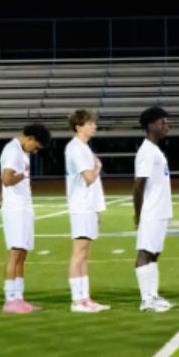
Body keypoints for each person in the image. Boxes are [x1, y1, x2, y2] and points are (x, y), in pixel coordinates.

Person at [0, 124, 51, 314]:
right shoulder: (13, 151)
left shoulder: (20, 151)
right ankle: (9, 300)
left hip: (22, 206)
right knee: (15, 253)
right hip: (16, 209)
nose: (35, 151)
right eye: (35, 147)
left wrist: (2, 196)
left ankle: (18, 298)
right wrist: (22, 175)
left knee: (22, 254)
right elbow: (7, 179)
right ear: (30, 138)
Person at [64, 109, 109, 313]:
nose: (94, 126)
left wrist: (97, 210)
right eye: (89, 123)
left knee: (85, 254)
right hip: (81, 206)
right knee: (78, 253)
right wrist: (98, 166)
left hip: (88, 206)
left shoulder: (82, 147)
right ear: (78, 126)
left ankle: (85, 298)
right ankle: (77, 300)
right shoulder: (76, 148)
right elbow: (89, 177)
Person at [132, 106, 175, 313]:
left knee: (155, 253)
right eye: (162, 122)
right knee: (145, 252)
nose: (167, 125)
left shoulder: (155, 149)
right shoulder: (147, 151)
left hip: (160, 211)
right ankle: (146, 300)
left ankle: (153, 295)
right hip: (150, 211)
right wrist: (138, 213)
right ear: (151, 126)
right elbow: (138, 184)